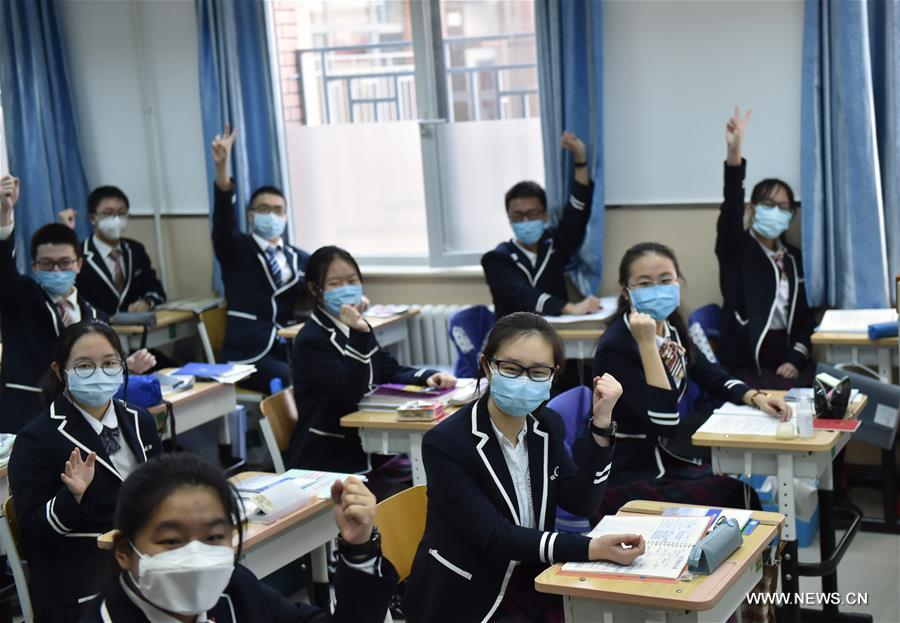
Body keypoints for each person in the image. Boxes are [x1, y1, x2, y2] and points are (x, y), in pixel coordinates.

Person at [403, 312, 645, 623]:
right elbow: (496, 537)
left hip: (532, 579)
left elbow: (582, 503)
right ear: (487, 366)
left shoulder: (546, 426)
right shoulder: (446, 442)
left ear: (553, 374)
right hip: (467, 597)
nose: (524, 380)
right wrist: (591, 548)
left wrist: (601, 424)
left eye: (538, 372)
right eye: (511, 368)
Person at [80, 452, 398, 622]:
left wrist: (358, 546)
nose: (196, 557)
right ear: (124, 552)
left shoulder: (236, 589)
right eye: (172, 541)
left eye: (214, 537)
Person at [592, 242, 790, 514]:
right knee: (733, 499)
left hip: (664, 456)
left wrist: (754, 397)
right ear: (625, 291)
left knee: (740, 495)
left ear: (678, 282)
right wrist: (647, 344)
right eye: (645, 283)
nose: (657, 290)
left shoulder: (670, 327)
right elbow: (664, 422)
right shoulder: (616, 347)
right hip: (629, 471)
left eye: (666, 280)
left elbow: (707, 372)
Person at [8, 320, 163, 622]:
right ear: (59, 371)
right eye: (83, 366)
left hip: (145, 557)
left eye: (109, 363)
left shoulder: (140, 420)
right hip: (80, 578)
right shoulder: (36, 439)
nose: (98, 374)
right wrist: (71, 497)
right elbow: (32, 537)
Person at [287, 246, 456, 496]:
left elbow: (386, 368)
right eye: (335, 283)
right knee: (423, 487)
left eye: (352, 281)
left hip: (367, 446)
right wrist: (359, 333)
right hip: (331, 455)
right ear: (315, 289)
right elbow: (351, 389)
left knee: (441, 472)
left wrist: (427, 376)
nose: (347, 289)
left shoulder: (353, 325)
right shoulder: (312, 339)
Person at [0, 176, 155, 433]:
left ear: (79, 265)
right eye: (47, 264)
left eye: (64, 263)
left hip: (82, 420)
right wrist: (5, 215)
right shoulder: (23, 300)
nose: (56, 270)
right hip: (27, 417)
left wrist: (126, 367)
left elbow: (96, 369)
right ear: (35, 266)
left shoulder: (95, 316)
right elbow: (4, 272)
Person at [716, 107, 816, 389]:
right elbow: (730, 207)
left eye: (783, 207)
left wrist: (796, 357)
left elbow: (806, 317)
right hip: (745, 361)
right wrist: (734, 155)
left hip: (788, 361)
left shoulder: (794, 258)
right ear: (752, 209)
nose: (775, 212)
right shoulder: (735, 248)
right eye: (768, 205)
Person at [210, 125, 309, 394]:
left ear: (286, 217)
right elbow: (223, 220)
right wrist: (222, 169)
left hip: (287, 347)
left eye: (278, 210)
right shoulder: (235, 248)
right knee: (288, 377)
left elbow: (325, 279)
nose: (272, 215)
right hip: (248, 353)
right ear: (251, 215)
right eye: (264, 209)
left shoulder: (298, 258)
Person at [482, 132, 601, 320]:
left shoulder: (554, 244)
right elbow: (522, 294)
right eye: (518, 215)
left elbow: (576, 212)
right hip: (513, 333)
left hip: (553, 331)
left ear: (545, 216)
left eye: (532, 213)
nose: (526, 221)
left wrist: (580, 160)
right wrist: (570, 307)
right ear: (509, 219)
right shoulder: (496, 259)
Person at [63, 185, 167, 315]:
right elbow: (71, 301)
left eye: (122, 213)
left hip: (135, 324)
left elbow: (155, 288)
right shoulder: (77, 255)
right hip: (96, 325)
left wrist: (147, 302)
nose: (116, 219)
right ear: (92, 218)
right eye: (108, 213)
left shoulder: (135, 250)